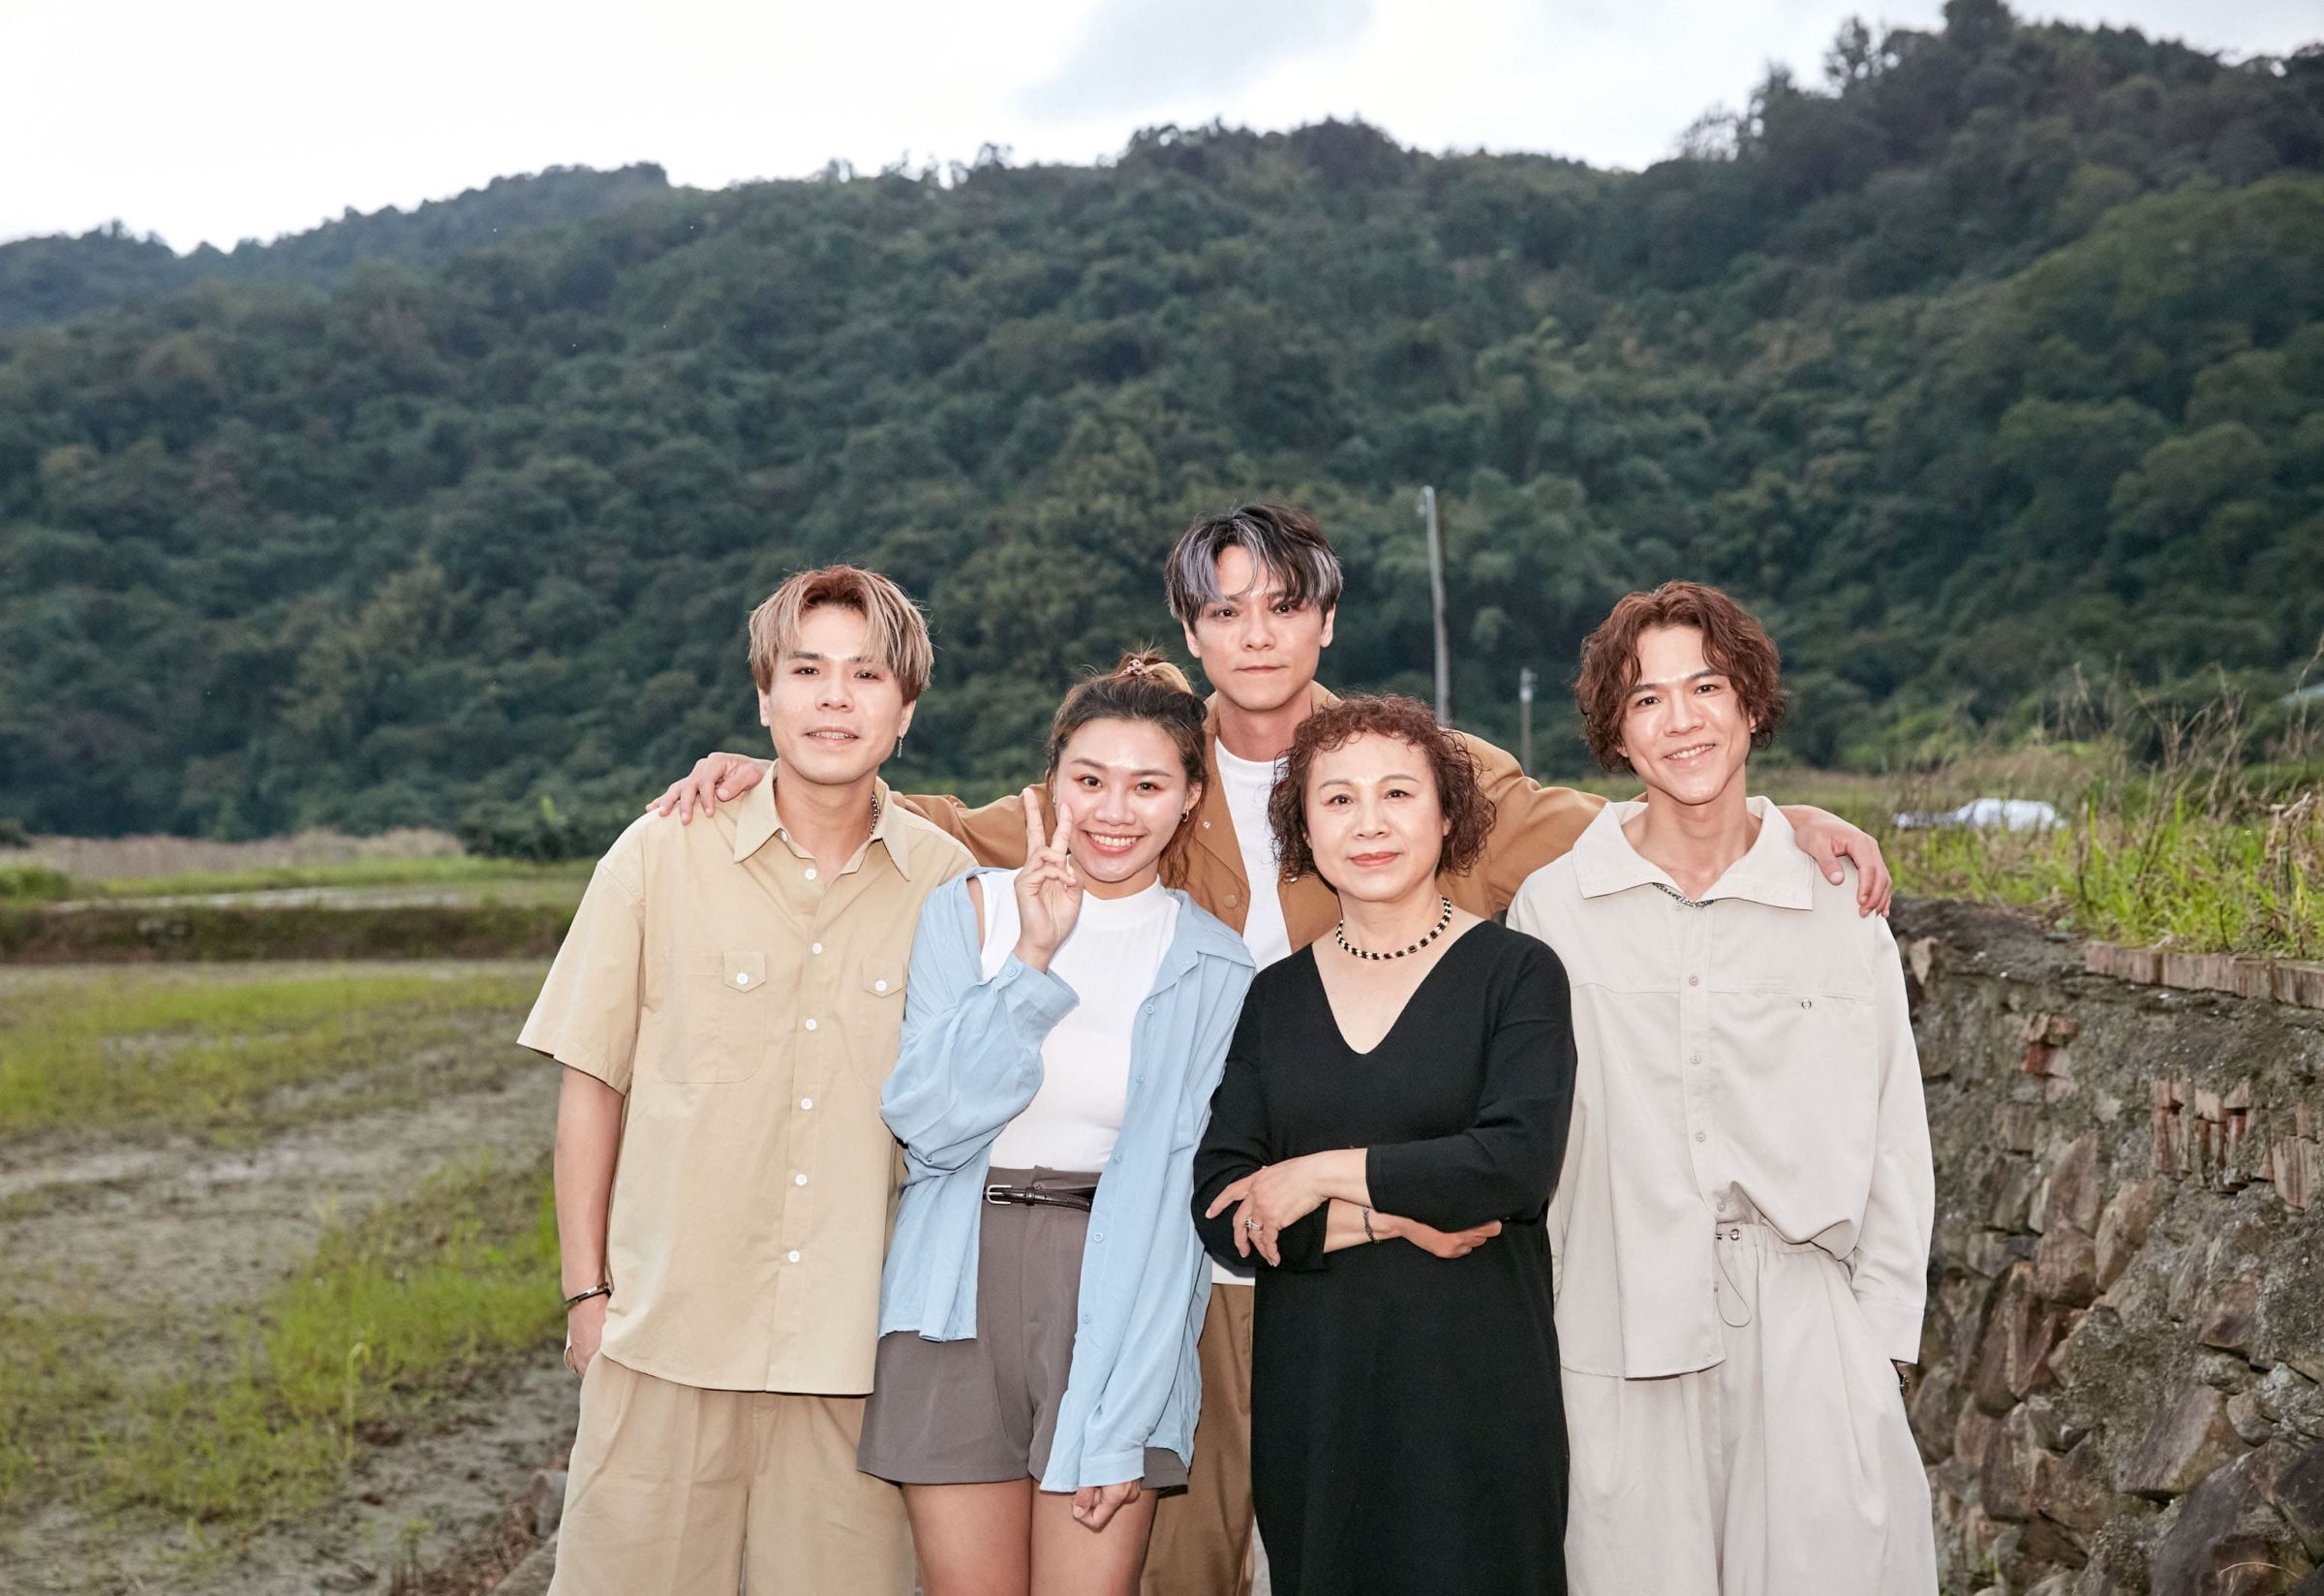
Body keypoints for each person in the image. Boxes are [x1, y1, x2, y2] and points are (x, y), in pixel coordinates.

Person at [647, 503, 1893, 1596]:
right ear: (1190, 632)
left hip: (1366, 1264)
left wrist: (1776, 819)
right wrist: (782, 771)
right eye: (1226, 609)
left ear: (1326, 621)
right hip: (1176, 1256)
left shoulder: (1415, 766)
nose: (1256, 634)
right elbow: (936, 827)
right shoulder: (1145, 764)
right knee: (1180, 1569)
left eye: (1284, 605)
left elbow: (1615, 823)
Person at [520, 566, 972, 1596]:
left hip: (854, 1361)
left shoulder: (948, 885)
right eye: (806, 670)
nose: (834, 698)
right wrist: (587, 1296)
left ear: (906, 709)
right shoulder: (659, 852)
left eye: (867, 675)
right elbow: (592, 1086)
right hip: (667, 1341)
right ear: (764, 695)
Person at [1507, 581, 1937, 1594]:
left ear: (1750, 702)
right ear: (1616, 731)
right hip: (1618, 1325)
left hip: (1808, 1327)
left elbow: (1894, 1133)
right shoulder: (1555, 910)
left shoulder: (1836, 904)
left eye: (1706, 686)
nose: (1682, 719)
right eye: (1646, 697)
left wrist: (1877, 1347)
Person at [858, 653, 1256, 1596]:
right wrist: (1032, 961)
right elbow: (929, 1126)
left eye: (1148, 785)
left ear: (1190, 799)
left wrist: (1130, 1405)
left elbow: (1174, 1207)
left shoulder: (1215, 966)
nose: (1115, 811)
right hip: (954, 1286)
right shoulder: (969, 913)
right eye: (1090, 780)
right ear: (1051, 786)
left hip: (1115, 1294)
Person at [1191, 692, 1576, 1596]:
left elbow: (1514, 1165)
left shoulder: (1517, 973)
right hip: (1318, 1404)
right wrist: (1392, 1220)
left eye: (1398, 794)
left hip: (1478, 1393)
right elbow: (1224, 1207)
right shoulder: (1274, 999)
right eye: (1338, 800)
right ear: (1304, 830)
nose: (1369, 824)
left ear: (1447, 816)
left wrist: (1319, 1175)